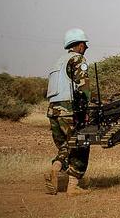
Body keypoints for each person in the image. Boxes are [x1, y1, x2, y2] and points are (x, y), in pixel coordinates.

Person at [44, 28, 92, 196]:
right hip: (69, 111)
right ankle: (73, 186)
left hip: (53, 111)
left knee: (66, 145)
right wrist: (85, 110)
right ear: (80, 45)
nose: (86, 48)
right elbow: (83, 86)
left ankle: (56, 167)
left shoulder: (58, 62)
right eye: (85, 45)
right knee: (82, 144)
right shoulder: (78, 59)